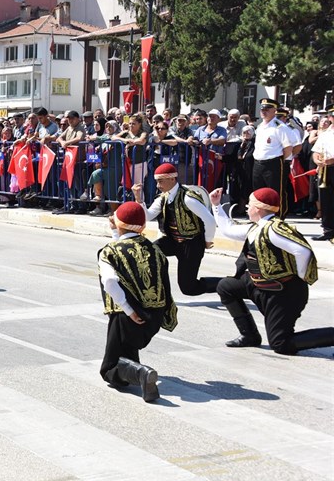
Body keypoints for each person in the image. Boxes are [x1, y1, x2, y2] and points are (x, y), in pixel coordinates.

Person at [211, 186, 334, 354]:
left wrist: (300, 276)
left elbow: (303, 251)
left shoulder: (274, 229)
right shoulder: (254, 227)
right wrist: (216, 206)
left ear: (260, 208)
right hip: (260, 285)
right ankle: (250, 336)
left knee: (281, 344)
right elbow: (228, 230)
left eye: (250, 203)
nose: (247, 206)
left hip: (283, 292)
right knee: (226, 286)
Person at [98, 201, 177, 403]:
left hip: (127, 317)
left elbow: (109, 281)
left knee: (109, 369)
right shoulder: (156, 250)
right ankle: (142, 376)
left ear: (118, 224)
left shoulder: (109, 252)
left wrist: (128, 309)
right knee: (128, 355)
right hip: (154, 317)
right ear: (142, 226)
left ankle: (142, 374)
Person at [132, 163, 220, 295]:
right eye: (157, 182)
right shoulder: (163, 198)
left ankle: (227, 285)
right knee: (146, 252)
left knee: (188, 288)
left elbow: (210, 221)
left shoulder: (188, 197)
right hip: (172, 241)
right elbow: (147, 216)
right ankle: (151, 289)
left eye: (160, 181)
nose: (157, 185)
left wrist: (207, 240)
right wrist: (139, 199)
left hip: (191, 244)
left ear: (172, 179)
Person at [253, 98, 293, 218]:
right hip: (258, 163)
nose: (264, 112)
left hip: (273, 163)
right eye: (262, 109)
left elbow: (288, 148)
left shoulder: (279, 127)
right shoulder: (260, 126)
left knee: (276, 192)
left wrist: (279, 160)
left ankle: (278, 218)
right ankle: (260, 217)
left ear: (274, 110)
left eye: (267, 109)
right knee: (259, 192)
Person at [310, 106, 334, 241]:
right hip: (325, 169)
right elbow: (317, 150)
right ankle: (328, 230)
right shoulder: (325, 134)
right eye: (333, 116)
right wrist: (316, 159)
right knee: (326, 200)